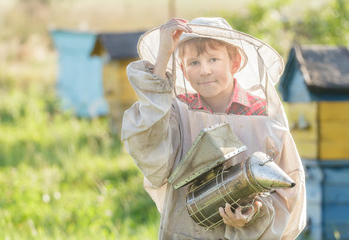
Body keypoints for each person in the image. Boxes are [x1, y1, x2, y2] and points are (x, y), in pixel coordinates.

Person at [122, 17, 306, 239]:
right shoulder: (177, 112)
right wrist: (164, 53)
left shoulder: (262, 117)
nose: (205, 71)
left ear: (235, 63)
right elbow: (150, 140)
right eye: (194, 63)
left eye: (213, 59)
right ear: (182, 68)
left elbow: (286, 186)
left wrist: (253, 211)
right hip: (186, 230)